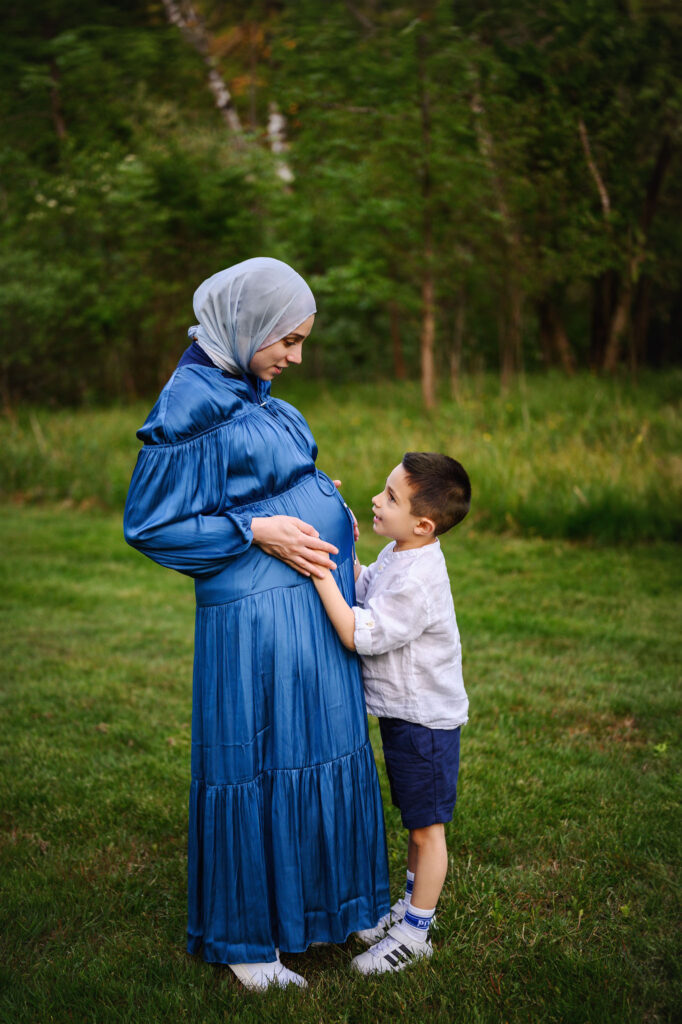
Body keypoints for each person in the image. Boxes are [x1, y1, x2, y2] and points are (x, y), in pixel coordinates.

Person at [123, 257, 390, 991]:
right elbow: (151, 525)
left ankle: (339, 904)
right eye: (289, 341)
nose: (296, 358)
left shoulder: (249, 383)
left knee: (326, 746)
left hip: (311, 608)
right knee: (260, 764)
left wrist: (315, 492)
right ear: (246, 326)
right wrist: (256, 528)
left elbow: (266, 472)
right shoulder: (190, 401)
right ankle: (246, 941)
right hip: (256, 624)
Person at [311, 451, 471, 974]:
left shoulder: (419, 579)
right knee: (415, 823)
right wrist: (347, 555)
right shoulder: (401, 553)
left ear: (423, 523)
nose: (377, 500)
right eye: (384, 489)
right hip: (405, 717)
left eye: (391, 498)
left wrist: (317, 577)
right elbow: (364, 590)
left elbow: (360, 632)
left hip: (425, 723)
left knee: (428, 830)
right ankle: (408, 908)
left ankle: (416, 932)